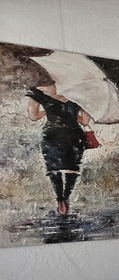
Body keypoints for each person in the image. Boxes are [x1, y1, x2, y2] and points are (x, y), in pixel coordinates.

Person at [26, 84, 92, 216]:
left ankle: (60, 199)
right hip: (74, 135)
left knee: (53, 168)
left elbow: (33, 116)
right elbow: (85, 121)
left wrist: (49, 111)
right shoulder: (81, 91)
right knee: (72, 169)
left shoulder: (37, 92)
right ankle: (66, 197)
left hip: (51, 135)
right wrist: (69, 113)